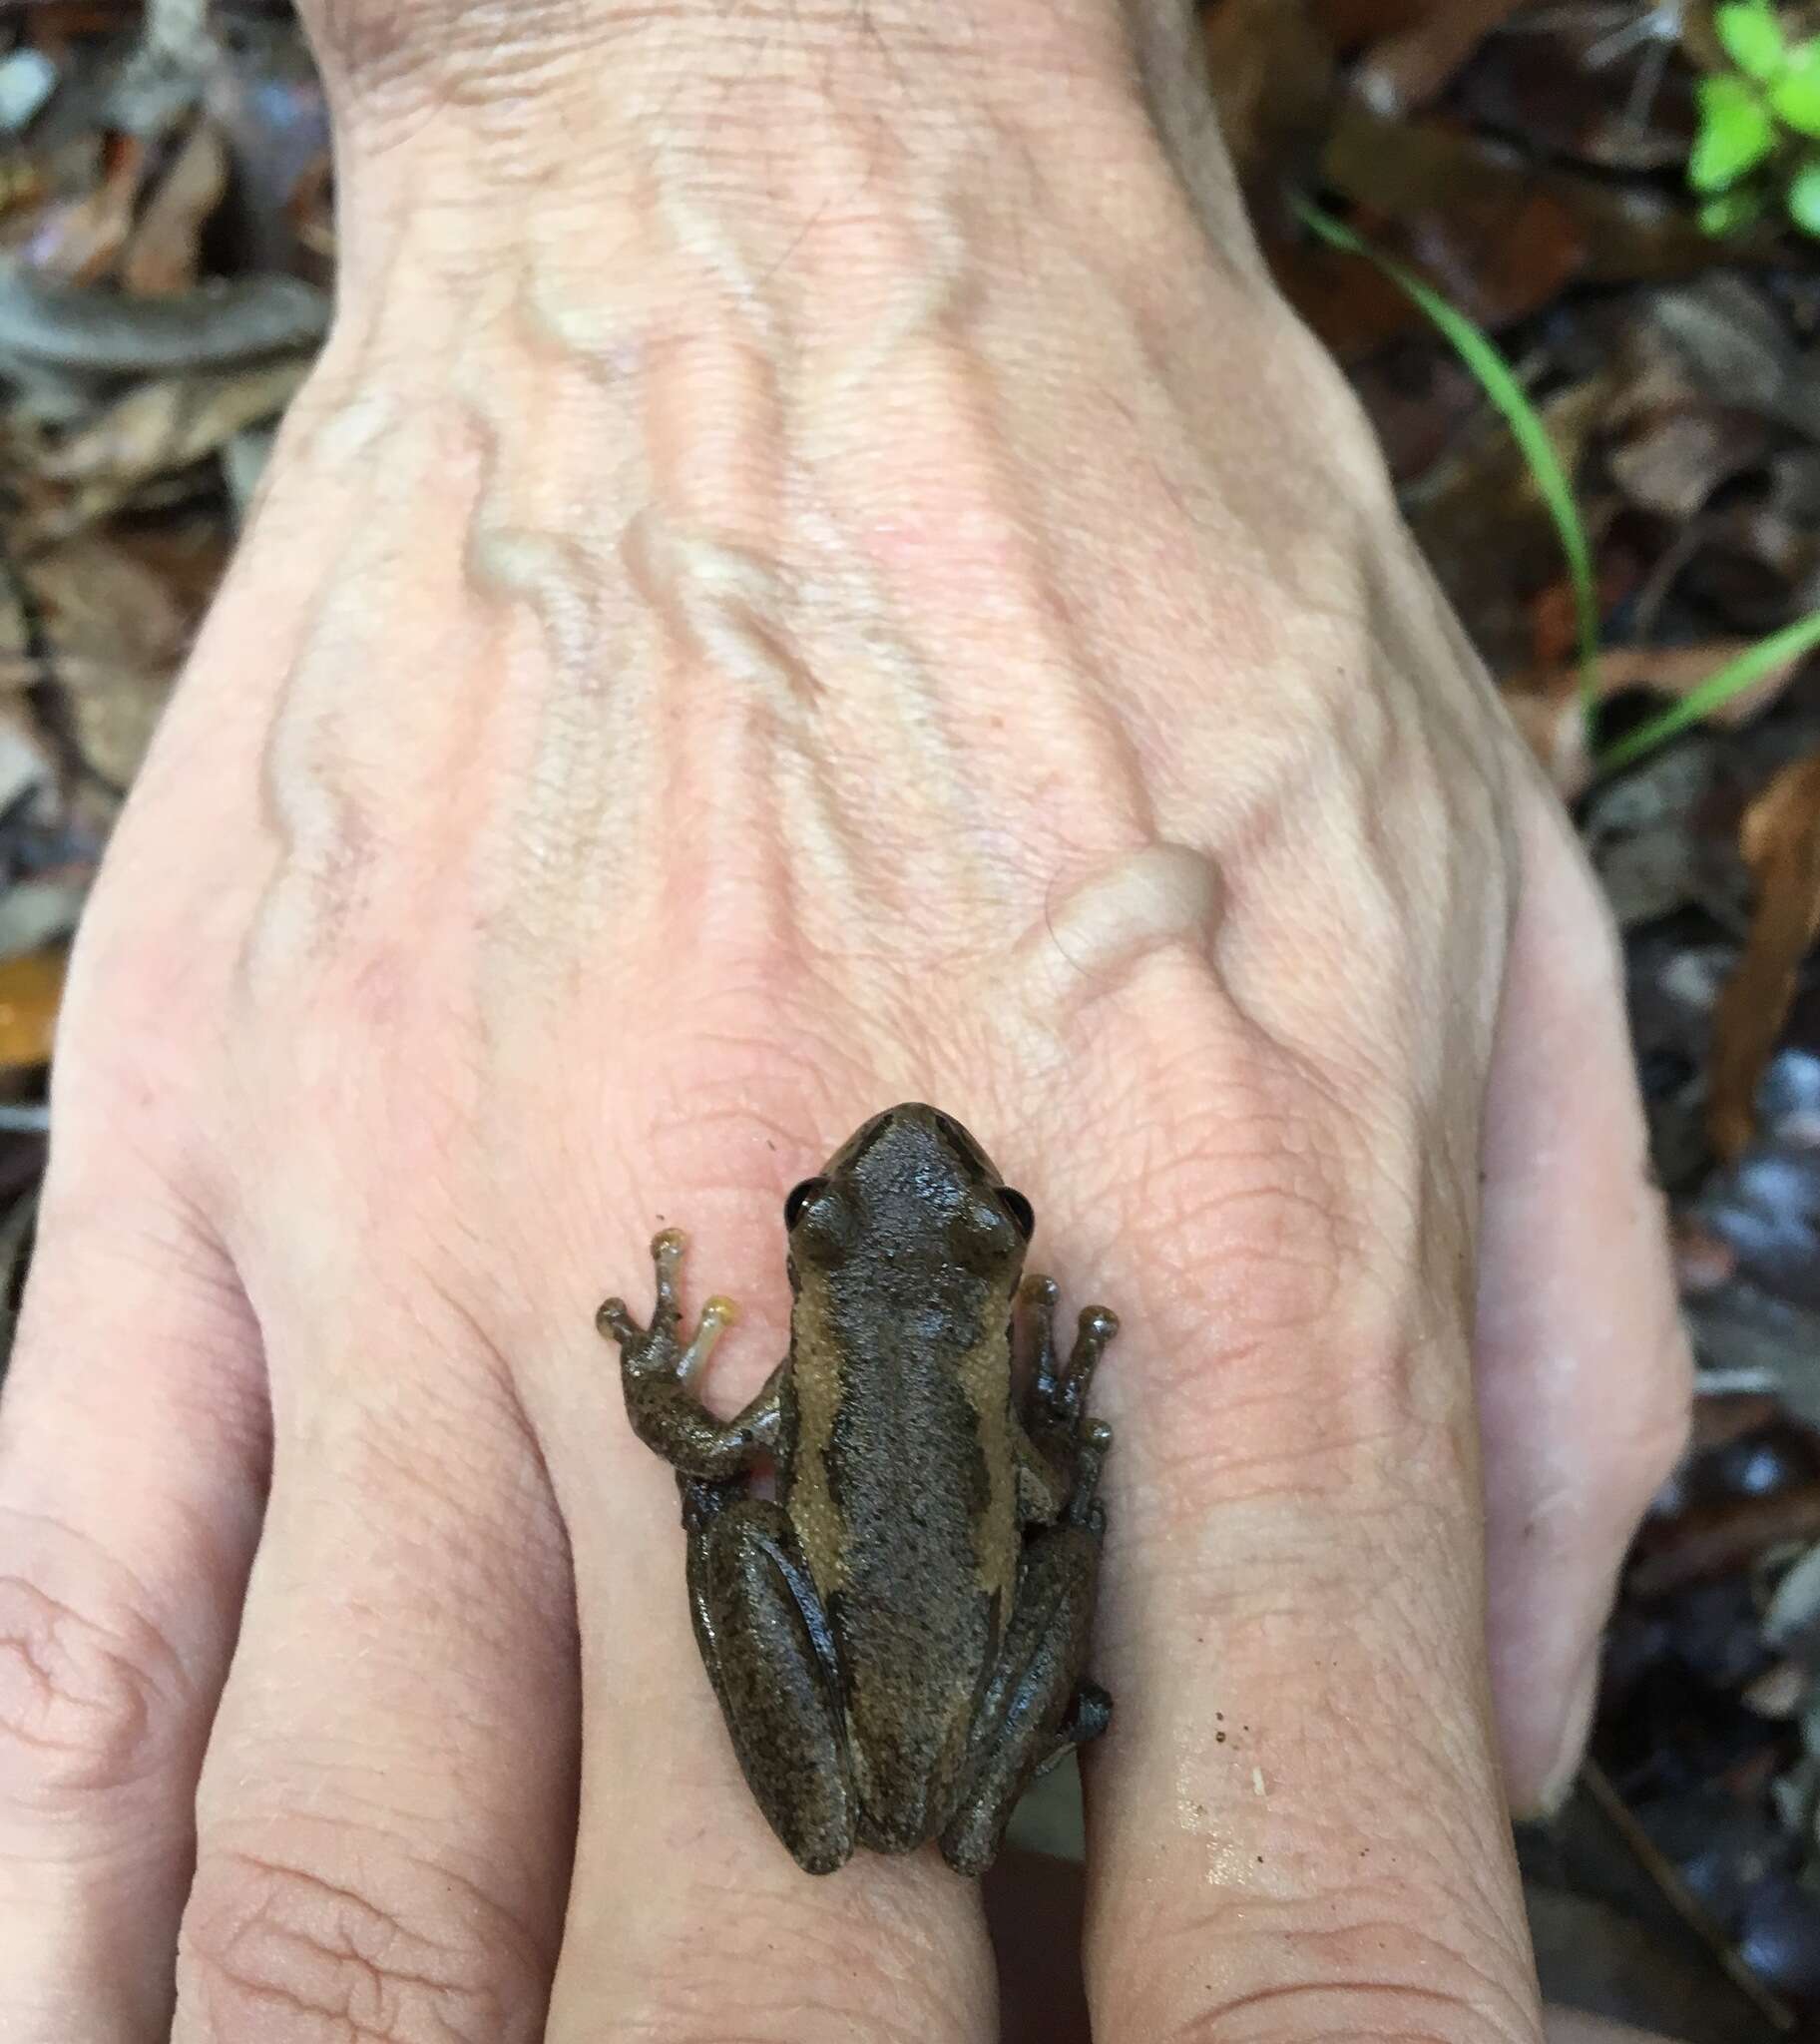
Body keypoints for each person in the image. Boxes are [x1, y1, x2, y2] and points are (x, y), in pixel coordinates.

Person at [0, 1, 1693, 2036]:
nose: (896, 1203)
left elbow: (745, 1454)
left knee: (737, 1527)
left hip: (860, 1611)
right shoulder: (991, 1344)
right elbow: (1043, 1488)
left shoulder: (829, 1345)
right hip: (960, 1674)